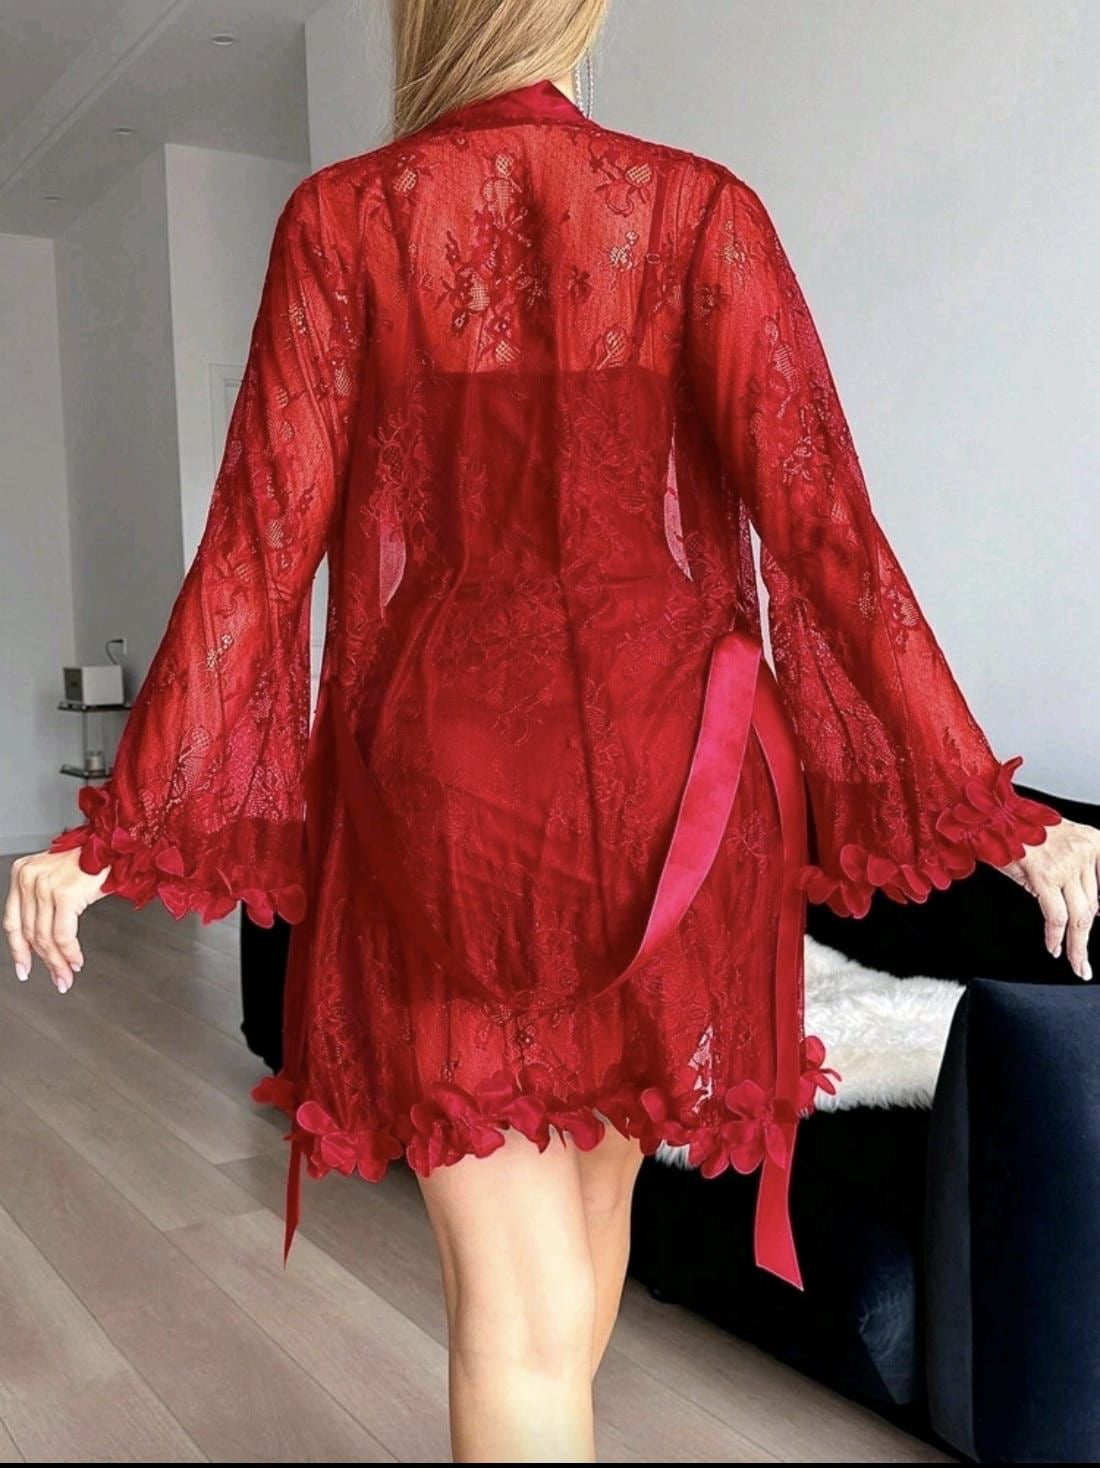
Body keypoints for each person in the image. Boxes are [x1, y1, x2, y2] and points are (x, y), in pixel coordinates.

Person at [6, 1, 1099, 1460]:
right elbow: (829, 533)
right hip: (684, 795)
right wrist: (992, 809)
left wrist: (120, 828)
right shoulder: (701, 212)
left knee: (516, 1315)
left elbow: (262, 555)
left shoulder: (349, 221)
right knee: (584, 1238)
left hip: (455, 786)